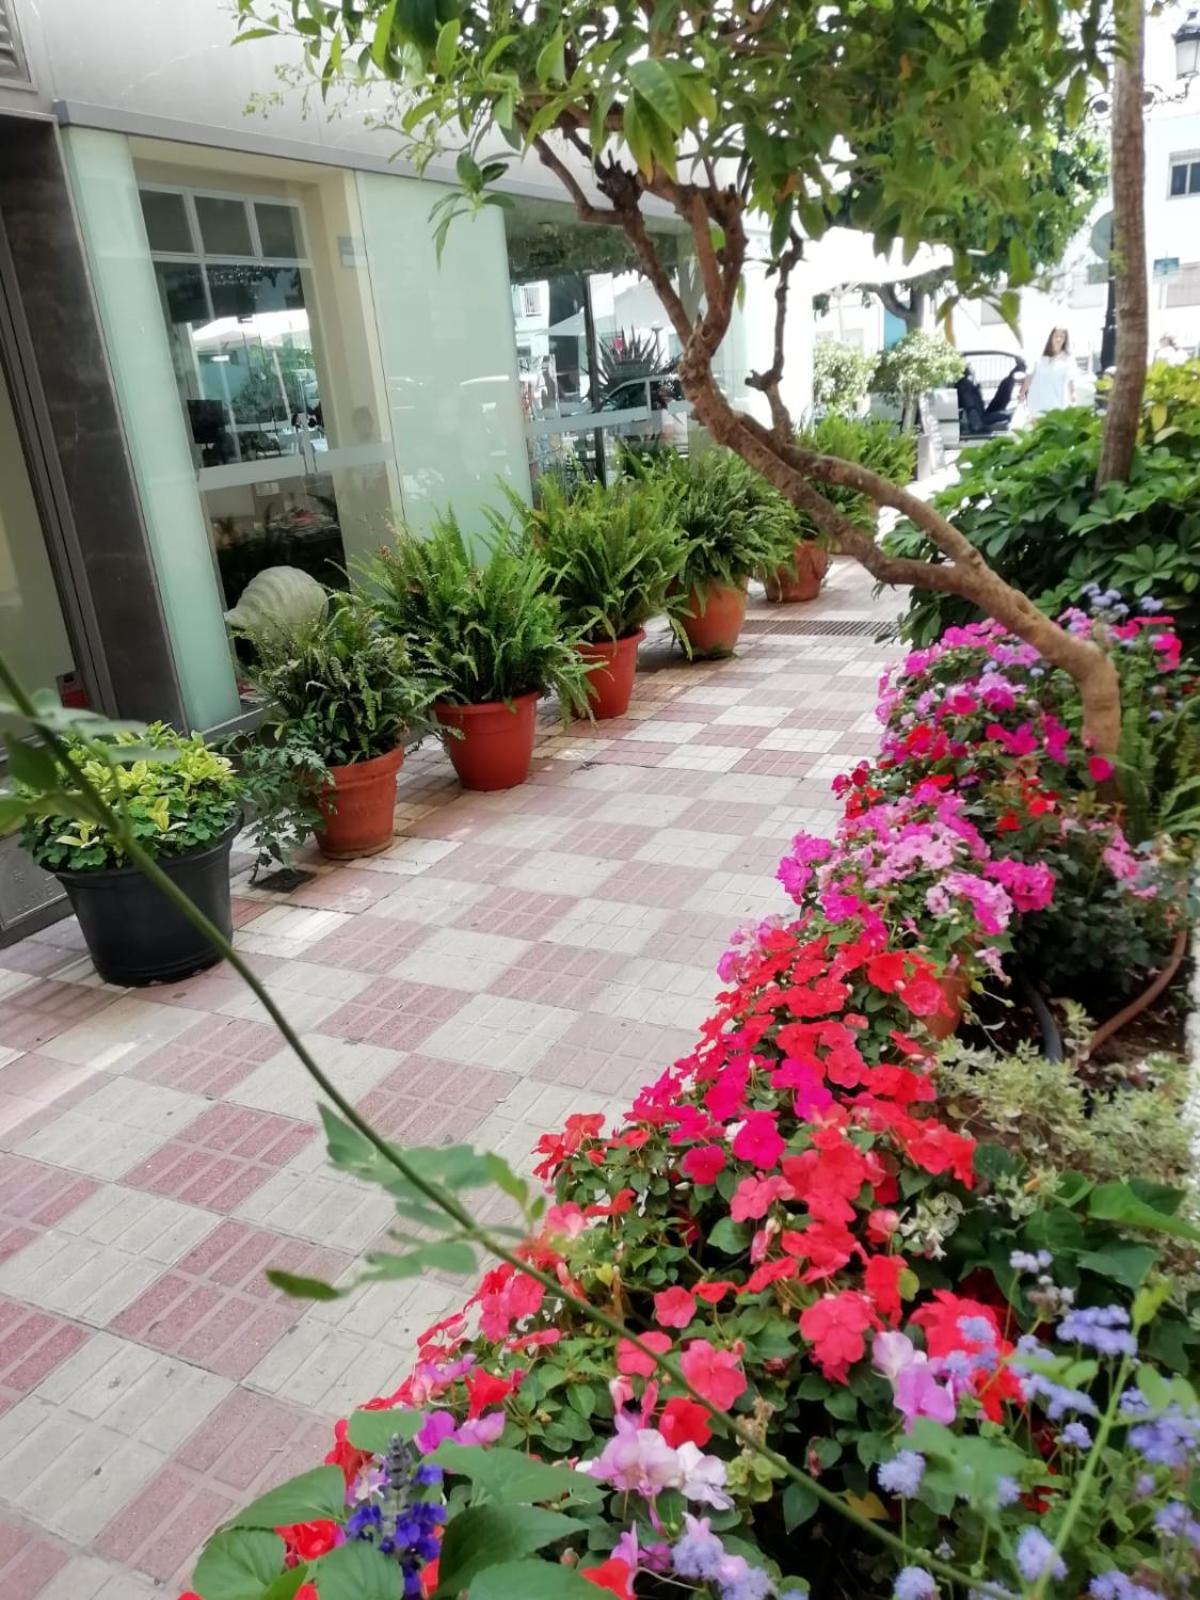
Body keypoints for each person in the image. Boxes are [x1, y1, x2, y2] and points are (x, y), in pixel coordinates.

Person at [1019, 328, 1076, 419]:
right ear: (1051, 337)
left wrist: (1073, 394)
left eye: (1062, 337)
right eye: (1056, 336)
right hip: (1037, 404)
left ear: (1065, 339)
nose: (1059, 339)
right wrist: (1022, 393)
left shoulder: (1068, 359)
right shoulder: (1040, 356)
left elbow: (1071, 379)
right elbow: (1030, 375)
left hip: (1057, 404)